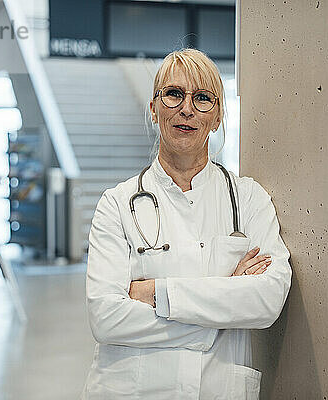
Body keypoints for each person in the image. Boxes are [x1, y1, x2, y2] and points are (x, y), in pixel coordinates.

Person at [83, 48, 292, 399]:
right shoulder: (116, 205)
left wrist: (156, 293)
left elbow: (268, 299)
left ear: (218, 117)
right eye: (174, 94)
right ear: (154, 108)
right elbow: (105, 317)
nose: (187, 108)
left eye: (203, 98)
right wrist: (220, 316)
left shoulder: (248, 199)